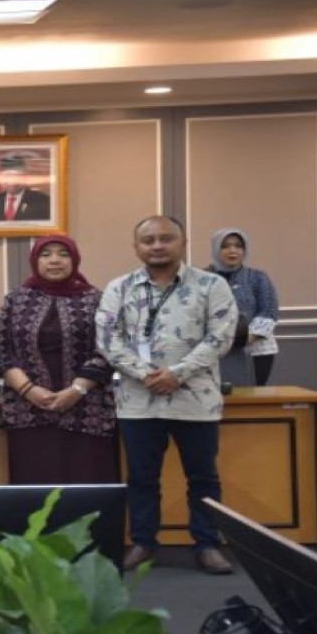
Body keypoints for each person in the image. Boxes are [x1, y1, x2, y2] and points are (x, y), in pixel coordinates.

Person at [97, 215, 238, 575]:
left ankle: (207, 544)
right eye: (148, 240)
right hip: (138, 401)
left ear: (183, 241)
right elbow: (108, 339)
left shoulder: (212, 285)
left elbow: (220, 336)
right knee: (142, 477)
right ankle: (144, 542)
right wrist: (147, 374)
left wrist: (177, 374)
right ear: (137, 247)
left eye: (165, 238)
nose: (157, 245)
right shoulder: (120, 287)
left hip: (195, 399)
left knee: (203, 477)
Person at [0, 234, 117, 485]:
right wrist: (29, 390)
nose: (54, 261)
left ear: (74, 260)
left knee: (87, 483)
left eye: (63, 254)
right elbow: (0, 351)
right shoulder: (15, 300)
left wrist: (76, 390)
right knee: (35, 486)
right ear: (35, 260)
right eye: (45, 254)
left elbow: (107, 350)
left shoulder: (96, 299)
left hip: (86, 408)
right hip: (27, 409)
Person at [208, 228, 280, 386]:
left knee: (251, 399)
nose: (232, 250)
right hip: (212, 349)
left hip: (254, 347)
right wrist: (220, 341)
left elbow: (268, 311)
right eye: (225, 246)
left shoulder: (257, 277)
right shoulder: (203, 278)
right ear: (215, 248)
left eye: (238, 245)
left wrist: (244, 339)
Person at [0, 154, 51, 222]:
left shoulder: (42, 201)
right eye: (7, 176)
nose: (12, 181)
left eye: (17, 175)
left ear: (25, 176)